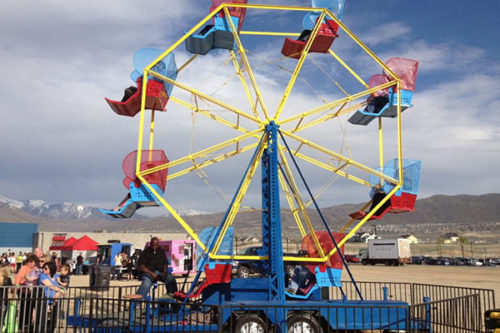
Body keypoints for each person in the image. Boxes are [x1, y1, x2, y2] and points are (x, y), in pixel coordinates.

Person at [39, 262, 61, 332]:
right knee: (43, 318)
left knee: (54, 318)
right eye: (43, 268)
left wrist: (58, 293)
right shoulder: (43, 276)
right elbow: (50, 285)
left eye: (46, 269)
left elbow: (63, 286)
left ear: (51, 269)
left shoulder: (56, 276)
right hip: (45, 300)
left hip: (56, 300)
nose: (43, 270)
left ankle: (51, 330)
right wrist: (59, 290)